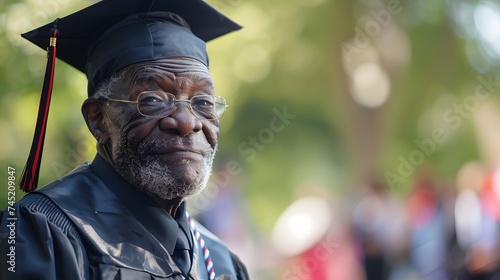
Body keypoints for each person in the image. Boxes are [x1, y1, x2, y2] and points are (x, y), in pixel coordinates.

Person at [0, 0, 249, 279]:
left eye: (202, 102)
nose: (187, 122)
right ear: (98, 119)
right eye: (153, 100)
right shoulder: (41, 234)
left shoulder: (219, 260)